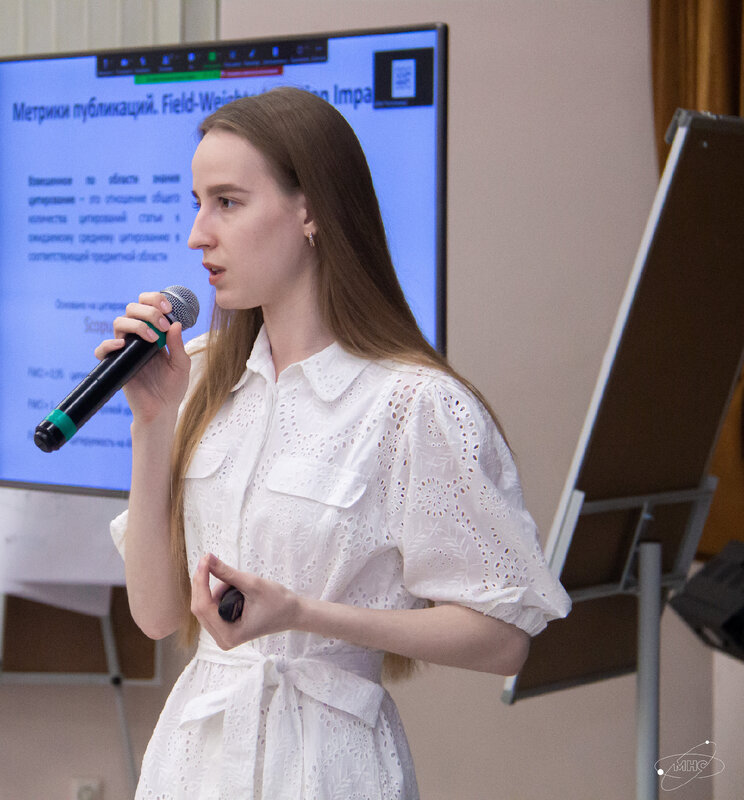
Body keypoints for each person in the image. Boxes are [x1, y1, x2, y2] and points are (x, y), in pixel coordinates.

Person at [96, 87, 571, 800]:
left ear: (310, 210)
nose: (198, 234)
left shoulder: (414, 404)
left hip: (331, 768)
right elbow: (157, 616)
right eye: (197, 203)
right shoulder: (195, 378)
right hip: (192, 764)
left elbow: (503, 639)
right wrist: (151, 423)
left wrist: (302, 615)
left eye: (227, 202)